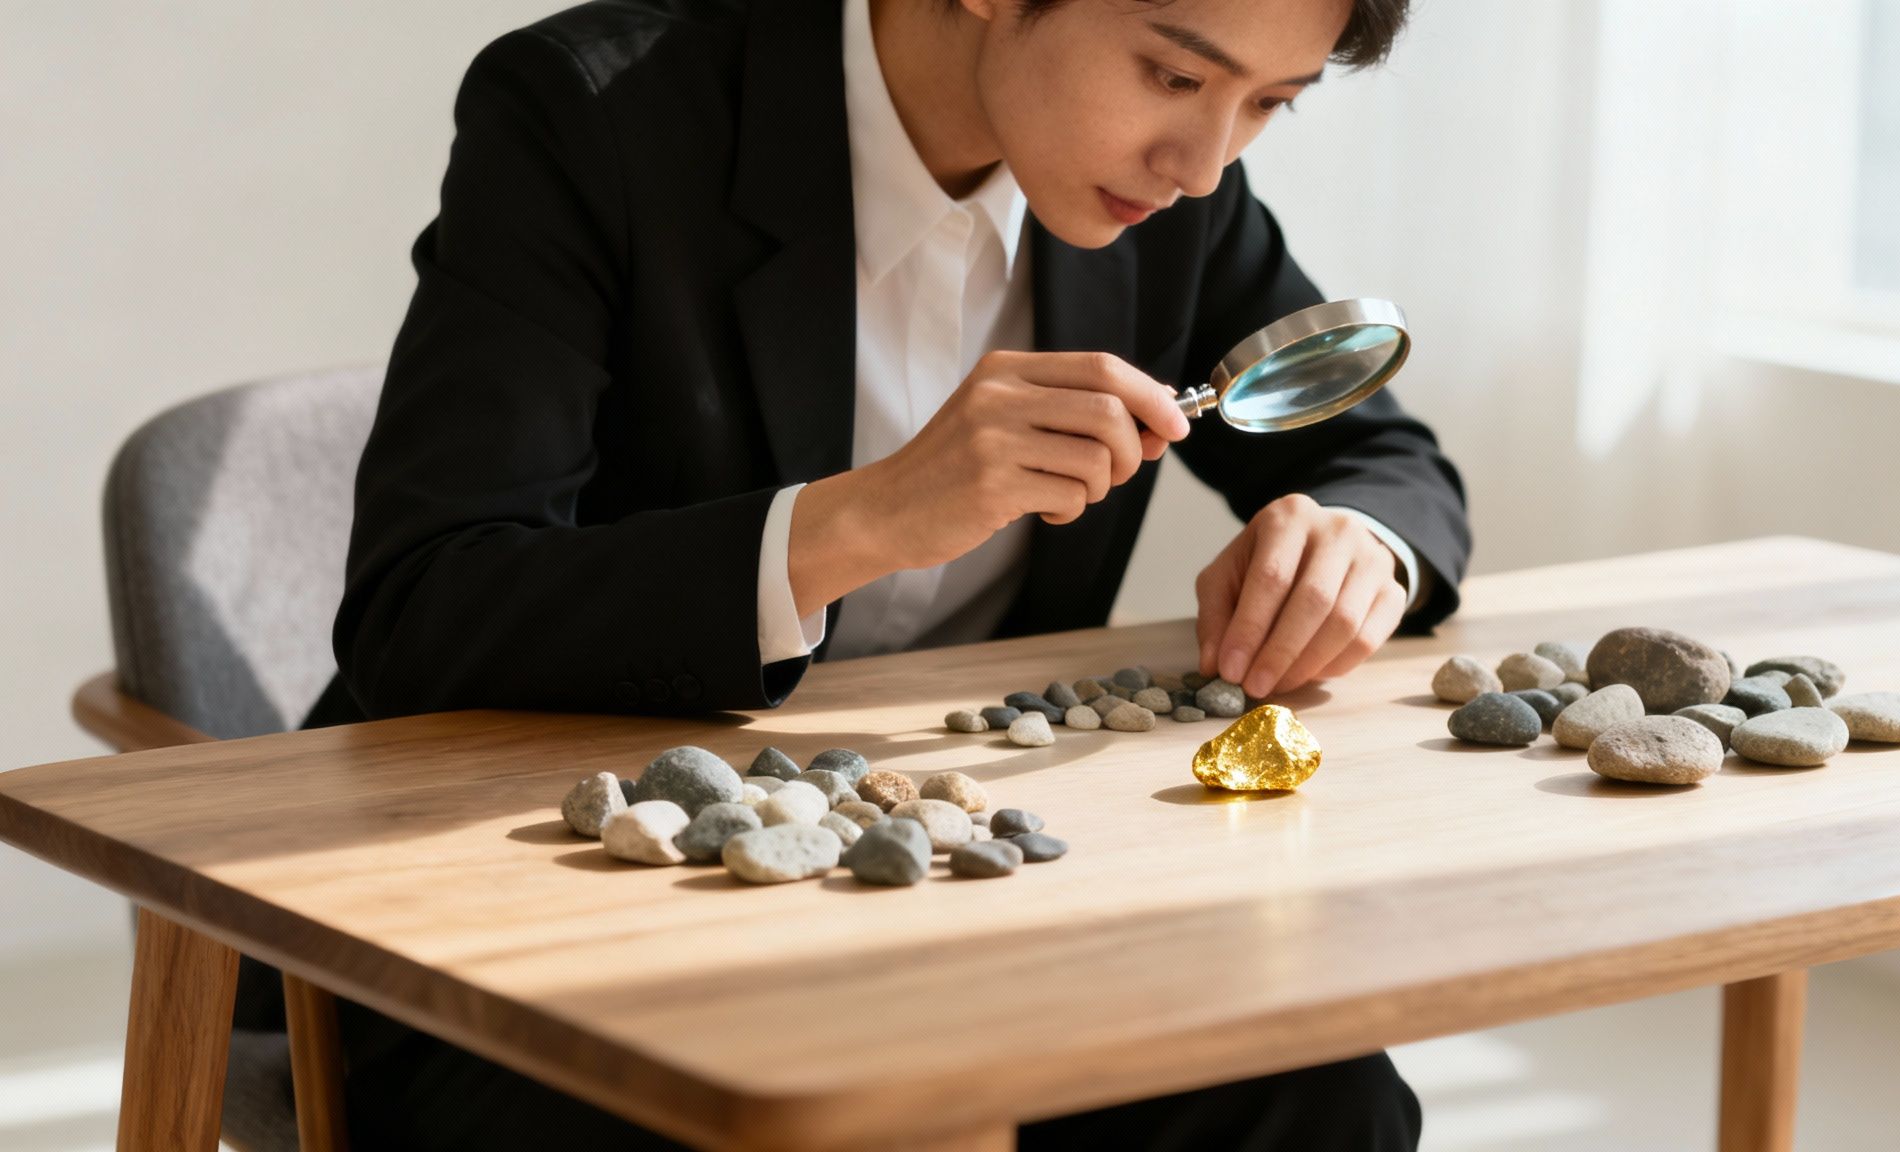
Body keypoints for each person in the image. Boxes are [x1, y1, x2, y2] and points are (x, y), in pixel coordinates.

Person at [281, 0, 1470, 1146]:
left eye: (1271, 102)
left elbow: (1379, 455)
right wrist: (862, 521)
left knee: (1317, 1097)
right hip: (560, 905)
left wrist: (1358, 544)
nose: (1204, 162)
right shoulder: (597, 113)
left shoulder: (1164, 192)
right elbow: (421, 605)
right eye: (1173, 76)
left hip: (970, 895)